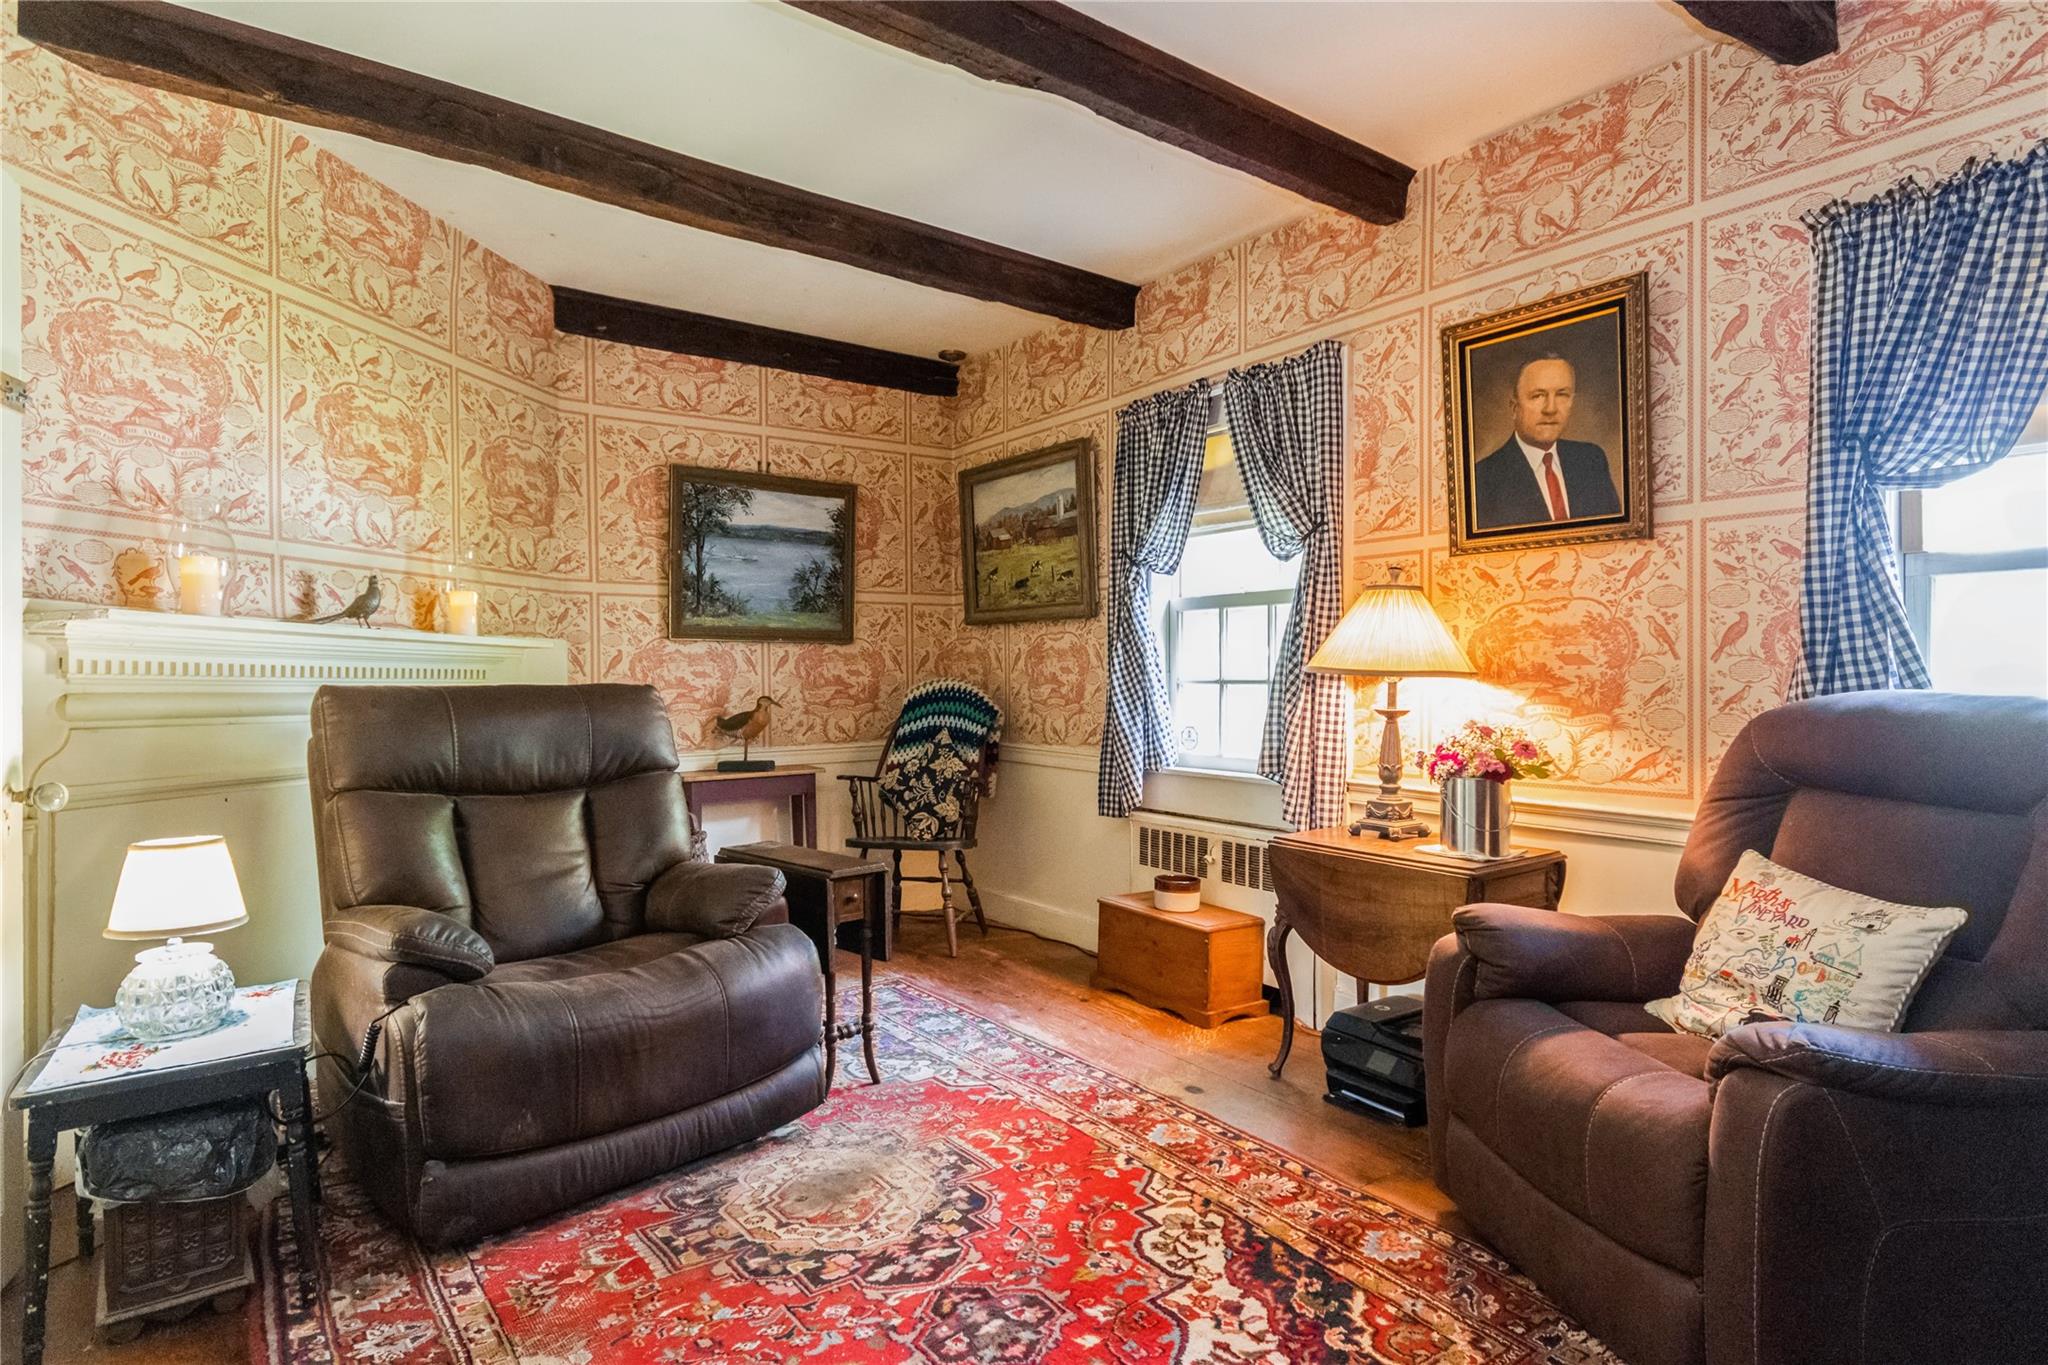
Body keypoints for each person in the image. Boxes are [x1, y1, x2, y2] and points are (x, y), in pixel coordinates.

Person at [1471, 354, 1621, 531]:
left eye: (1562, 394)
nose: (1551, 409)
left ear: (1572, 401)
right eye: (1538, 396)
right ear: (1514, 408)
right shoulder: (1482, 479)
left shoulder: (1591, 459)